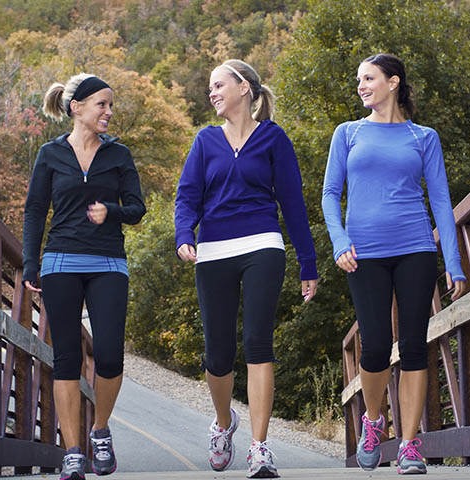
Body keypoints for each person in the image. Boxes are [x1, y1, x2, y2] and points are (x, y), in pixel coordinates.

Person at [322, 53, 466, 475]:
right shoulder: (347, 133)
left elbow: (440, 200)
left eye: (369, 78)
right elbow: (331, 194)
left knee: (416, 344)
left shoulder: (424, 137)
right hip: (363, 252)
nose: (361, 85)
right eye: (359, 80)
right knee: (376, 345)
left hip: (415, 247)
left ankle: (409, 445)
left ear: (393, 82)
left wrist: (453, 264)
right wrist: (340, 241)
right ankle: (373, 421)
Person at [174, 59, 318, 478]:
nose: (212, 92)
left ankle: (260, 447)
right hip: (214, 250)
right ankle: (223, 423)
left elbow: (292, 204)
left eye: (219, 85)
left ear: (244, 88)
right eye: (210, 88)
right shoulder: (204, 141)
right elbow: (187, 196)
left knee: (258, 341)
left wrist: (307, 262)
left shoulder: (273, 139)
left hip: (262, 245)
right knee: (217, 353)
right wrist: (185, 235)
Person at [22, 73, 146, 480]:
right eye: (102, 105)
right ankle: (73, 451)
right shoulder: (50, 154)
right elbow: (36, 209)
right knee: (66, 359)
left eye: (111, 105)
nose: (109, 112)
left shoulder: (119, 155)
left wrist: (111, 210)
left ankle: (100, 429)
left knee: (110, 355)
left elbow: (137, 208)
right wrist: (29, 263)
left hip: (108, 261)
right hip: (59, 261)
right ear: (77, 107)